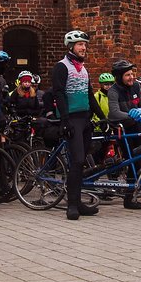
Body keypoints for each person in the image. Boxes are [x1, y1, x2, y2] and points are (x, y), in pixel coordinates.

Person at [50, 30, 104, 220]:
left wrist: (102, 117)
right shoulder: (62, 67)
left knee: (82, 163)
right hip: (71, 119)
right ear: (71, 46)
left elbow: (89, 94)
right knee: (78, 160)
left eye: (85, 45)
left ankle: (79, 201)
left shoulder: (84, 69)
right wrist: (64, 120)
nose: (84, 48)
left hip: (84, 119)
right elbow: (58, 94)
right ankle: (72, 205)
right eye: (81, 44)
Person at [107, 58, 141, 209]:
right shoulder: (113, 91)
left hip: (139, 129)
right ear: (119, 77)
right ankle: (128, 199)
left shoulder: (135, 86)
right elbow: (114, 113)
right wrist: (131, 115)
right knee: (132, 162)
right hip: (124, 131)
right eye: (128, 75)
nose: (132, 77)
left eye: (132, 74)